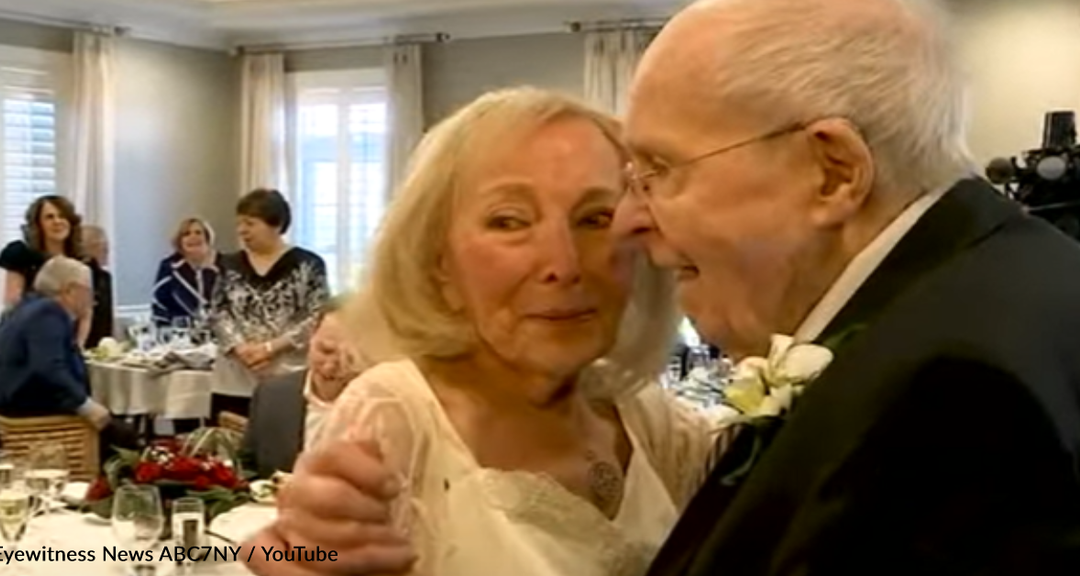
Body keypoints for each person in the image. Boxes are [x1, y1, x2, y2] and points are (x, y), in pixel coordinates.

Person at [614, 0, 1080, 574]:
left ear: (833, 172)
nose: (627, 220)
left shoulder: (952, 392)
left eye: (660, 170)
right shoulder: (989, 289)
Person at [240, 87, 730, 576]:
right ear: (439, 265)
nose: (563, 263)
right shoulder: (394, 420)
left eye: (596, 218)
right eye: (510, 221)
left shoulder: (650, 420)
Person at [0, 257, 138, 455]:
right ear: (70, 290)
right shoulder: (48, 313)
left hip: (2, 404)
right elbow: (49, 369)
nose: (93, 300)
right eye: (89, 292)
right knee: (126, 438)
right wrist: (87, 407)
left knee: (117, 425)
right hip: (24, 411)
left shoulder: (27, 307)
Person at [210, 189, 329, 421]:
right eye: (239, 223)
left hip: (286, 374)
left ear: (276, 224)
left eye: (250, 223)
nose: (241, 230)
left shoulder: (308, 265)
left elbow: (318, 316)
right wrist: (241, 348)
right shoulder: (229, 265)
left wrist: (270, 348)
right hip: (235, 376)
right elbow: (218, 312)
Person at [241, 295, 361, 478]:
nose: (330, 366)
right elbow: (248, 470)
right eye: (325, 350)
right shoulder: (272, 395)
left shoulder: (384, 406)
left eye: (349, 358)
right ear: (311, 337)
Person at [0, 195, 93, 347]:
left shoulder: (82, 262)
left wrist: (77, 348)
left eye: (62, 216)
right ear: (38, 224)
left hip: (67, 342)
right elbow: (13, 304)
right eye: (49, 217)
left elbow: (85, 312)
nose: (57, 221)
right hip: (27, 340)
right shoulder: (21, 254)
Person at [152, 217, 220, 327]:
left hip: (222, 333)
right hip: (181, 333)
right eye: (186, 234)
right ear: (180, 241)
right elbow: (159, 304)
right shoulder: (169, 267)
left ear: (207, 237)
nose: (193, 237)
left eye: (198, 233)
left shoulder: (224, 264)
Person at [81, 225, 114, 349]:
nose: (107, 249)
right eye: (102, 245)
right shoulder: (80, 275)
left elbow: (107, 320)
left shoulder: (105, 277)